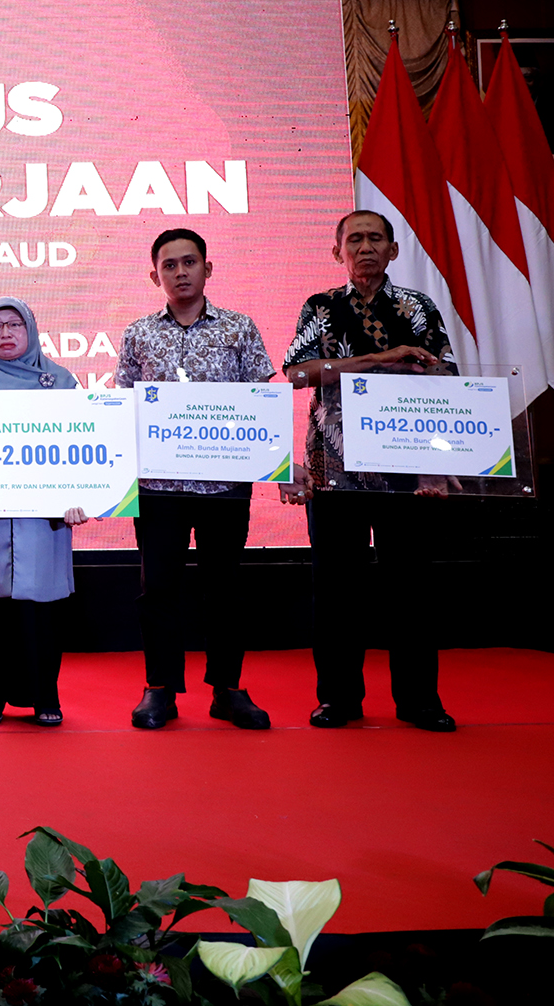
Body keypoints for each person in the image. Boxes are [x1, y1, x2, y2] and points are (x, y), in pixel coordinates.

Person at [281, 210, 459, 733]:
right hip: (334, 468)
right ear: (337, 251)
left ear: (393, 250)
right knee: (336, 589)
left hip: (408, 465)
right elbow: (296, 373)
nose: (365, 247)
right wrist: (382, 359)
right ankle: (338, 698)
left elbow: (446, 378)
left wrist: (436, 467)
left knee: (411, 587)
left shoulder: (417, 307)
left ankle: (419, 700)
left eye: (375, 238)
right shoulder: (321, 307)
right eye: (354, 239)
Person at [115, 228, 278, 732]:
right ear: (155, 276)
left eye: (189, 262)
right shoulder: (138, 334)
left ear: (208, 269)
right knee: (158, 589)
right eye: (169, 265)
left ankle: (227, 689)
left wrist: (277, 466)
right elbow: (123, 407)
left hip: (224, 486)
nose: (180, 272)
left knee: (223, 589)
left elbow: (262, 403)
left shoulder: (239, 328)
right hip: (158, 489)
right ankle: (160, 689)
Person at [0, 297, 89, 726]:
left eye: (15, 324)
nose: (6, 333)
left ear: (31, 330)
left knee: (43, 609)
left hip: (45, 519)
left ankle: (46, 695)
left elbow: (82, 446)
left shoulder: (60, 382)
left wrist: (83, 495)